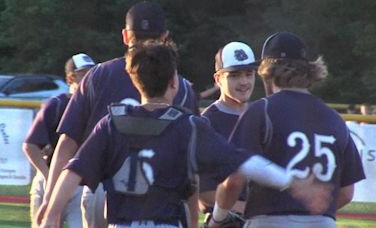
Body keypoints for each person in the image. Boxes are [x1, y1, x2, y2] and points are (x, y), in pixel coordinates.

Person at [39, 43, 330, 228]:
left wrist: (52, 212)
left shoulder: (111, 123)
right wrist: (292, 182)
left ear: (134, 80)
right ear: (174, 82)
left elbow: (72, 170)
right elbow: (243, 162)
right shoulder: (188, 126)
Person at [36, 2, 199, 228]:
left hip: (102, 191)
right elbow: (192, 165)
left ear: (125, 36)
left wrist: (51, 198)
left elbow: (67, 143)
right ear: (165, 38)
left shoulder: (98, 75)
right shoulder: (178, 85)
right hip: (161, 200)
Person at [209, 32, 366, 228]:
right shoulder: (334, 118)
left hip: (270, 221)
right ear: (307, 70)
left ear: (267, 71)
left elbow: (233, 181)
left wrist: (217, 218)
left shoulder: (262, 110)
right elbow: (346, 193)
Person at [23, 53, 96, 228]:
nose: (90, 77)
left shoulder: (96, 106)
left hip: (81, 184)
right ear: (71, 77)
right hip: (51, 179)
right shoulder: (56, 104)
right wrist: (49, 178)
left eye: (92, 72)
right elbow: (30, 146)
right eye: (84, 73)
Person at [199, 42, 258, 217]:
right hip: (225, 221)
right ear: (218, 79)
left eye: (249, 74)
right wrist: (250, 209)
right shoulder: (206, 123)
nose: (244, 82)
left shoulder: (262, 115)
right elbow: (202, 191)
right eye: (234, 75)